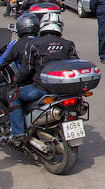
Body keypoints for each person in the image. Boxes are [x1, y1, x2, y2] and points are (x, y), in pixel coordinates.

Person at [8, 13, 78, 143]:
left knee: (14, 96)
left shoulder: (34, 44)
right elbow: (74, 64)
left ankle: (18, 134)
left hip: (42, 89)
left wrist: (16, 80)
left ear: (42, 26)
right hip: (65, 90)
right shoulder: (69, 44)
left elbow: (26, 69)